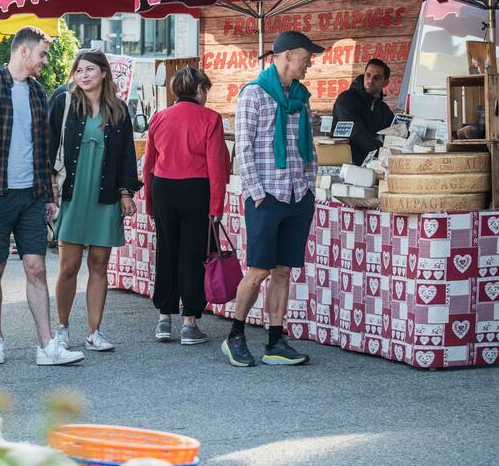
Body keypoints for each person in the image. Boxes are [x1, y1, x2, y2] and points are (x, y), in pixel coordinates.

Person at [0, 26, 84, 367]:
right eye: (42, 55)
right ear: (24, 52)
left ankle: (46, 345)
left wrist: (47, 194)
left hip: (31, 195)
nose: (45, 61)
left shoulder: (37, 91)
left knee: (36, 267)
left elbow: (43, 147)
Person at [225, 30, 324, 368]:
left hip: (298, 194)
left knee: (283, 270)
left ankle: (275, 340)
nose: (310, 62)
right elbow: (245, 147)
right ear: (287, 56)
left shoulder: (301, 96)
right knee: (258, 270)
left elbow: (307, 146)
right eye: (306, 56)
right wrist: (255, 194)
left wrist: (310, 185)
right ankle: (235, 335)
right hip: (266, 195)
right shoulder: (253, 94)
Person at [48, 50, 141, 353]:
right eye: (79, 70)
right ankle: (61, 329)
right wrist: (47, 188)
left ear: (103, 73)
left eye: (90, 69)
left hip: (105, 195)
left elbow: (128, 155)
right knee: (69, 266)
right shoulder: (64, 103)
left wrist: (126, 193)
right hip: (73, 194)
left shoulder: (119, 110)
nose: (83, 75)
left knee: (99, 264)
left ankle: (94, 331)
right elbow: (48, 147)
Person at [142, 67, 230, 346]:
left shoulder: (159, 117)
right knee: (193, 254)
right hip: (196, 188)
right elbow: (218, 166)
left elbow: (148, 164)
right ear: (200, 89)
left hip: (164, 187)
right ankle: (190, 323)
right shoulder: (211, 118)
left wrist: (150, 203)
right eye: (206, 90)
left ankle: (164, 319)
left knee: (166, 251)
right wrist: (217, 206)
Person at [332, 58, 395, 165]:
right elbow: (356, 134)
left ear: (385, 82)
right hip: (345, 164)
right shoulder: (346, 99)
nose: (370, 80)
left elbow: (395, 132)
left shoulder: (384, 109)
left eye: (377, 77)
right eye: (368, 75)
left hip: (372, 165)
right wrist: (384, 153)